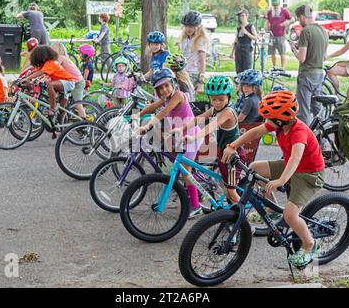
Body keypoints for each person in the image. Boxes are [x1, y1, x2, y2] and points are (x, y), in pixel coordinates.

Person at [222, 90, 325, 268]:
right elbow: (254, 133)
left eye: (269, 118)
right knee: (254, 168)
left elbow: (296, 158)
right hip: (290, 166)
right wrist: (232, 146)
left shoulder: (298, 132)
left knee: (291, 215)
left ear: (281, 119)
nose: (266, 122)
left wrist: (281, 181)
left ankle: (310, 245)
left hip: (308, 174)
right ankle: (272, 209)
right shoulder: (278, 123)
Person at [133, 68, 203, 218]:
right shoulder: (166, 98)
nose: (164, 90)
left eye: (166, 85)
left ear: (173, 84)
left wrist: (146, 126)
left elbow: (162, 112)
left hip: (191, 136)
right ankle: (195, 191)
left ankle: (196, 206)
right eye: (160, 88)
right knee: (179, 168)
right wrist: (137, 115)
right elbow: (152, 107)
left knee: (185, 172)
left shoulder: (178, 95)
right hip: (178, 136)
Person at [177, 75, 246, 207]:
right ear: (209, 98)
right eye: (213, 99)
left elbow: (211, 126)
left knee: (231, 192)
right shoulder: (215, 109)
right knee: (225, 187)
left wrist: (193, 137)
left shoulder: (228, 112)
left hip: (233, 156)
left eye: (221, 99)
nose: (217, 102)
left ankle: (245, 223)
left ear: (228, 97)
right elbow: (199, 118)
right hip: (223, 153)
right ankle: (233, 218)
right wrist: (182, 128)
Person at [290, 5, 328, 126]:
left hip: (306, 75)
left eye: (298, 18)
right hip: (319, 74)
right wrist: (300, 46)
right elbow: (324, 57)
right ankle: (321, 139)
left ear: (302, 17)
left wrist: (293, 49)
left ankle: (303, 141)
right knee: (317, 108)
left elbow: (302, 58)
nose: (299, 21)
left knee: (303, 110)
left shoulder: (305, 31)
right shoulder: (323, 31)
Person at [20, 46, 75, 118]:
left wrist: (27, 78)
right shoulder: (45, 64)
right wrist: (23, 78)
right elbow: (35, 71)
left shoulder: (50, 63)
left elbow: (41, 72)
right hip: (61, 83)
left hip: (68, 82)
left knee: (50, 85)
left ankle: (52, 108)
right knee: (61, 112)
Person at [50, 42, 87, 119]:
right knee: (64, 99)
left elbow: (53, 68)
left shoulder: (61, 57)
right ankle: (64, 117)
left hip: (78, 82)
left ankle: (85, 121)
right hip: (72, 81)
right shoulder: (65, 57)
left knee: (78, 103)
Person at [180, 10, 209, 97]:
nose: (188, 29)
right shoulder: (186, 39)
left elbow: (202, 61)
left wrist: (201, 82)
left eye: (192, 26)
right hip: (183, 72)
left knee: (188, 98)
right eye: (187, 26)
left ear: (198, 26)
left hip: (193, 74)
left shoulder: (200, 40)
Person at [266, 0, 294, 69]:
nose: (275, 6)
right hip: (271, 35)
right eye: (274, 5)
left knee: (282, 52)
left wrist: (285, 23)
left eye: (276, 5)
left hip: (281, 35)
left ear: (279, 4)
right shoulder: (269, 12)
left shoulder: (284, 11)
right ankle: (274, 67)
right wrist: (267, 25)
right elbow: (267, 21)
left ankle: (282, 68)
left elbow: (292, 19)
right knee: (272, 53)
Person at [231, 8, 258, 74]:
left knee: (247, 68)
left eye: (243, 15)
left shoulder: (250, 26)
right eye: (240, 16)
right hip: (238, 49)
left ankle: (246, 83)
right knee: (238, 68)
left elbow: (256, 38)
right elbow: (235, 41)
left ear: (247, 16)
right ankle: (239, 82)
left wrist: (246, 32)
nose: (241, 18)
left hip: (247, 48)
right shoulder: (238, 28)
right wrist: (232, 52)